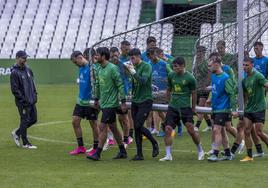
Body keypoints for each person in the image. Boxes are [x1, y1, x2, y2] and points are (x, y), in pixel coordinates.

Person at [159, 57, 204, 161]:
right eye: (174, 66)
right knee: (167, 129)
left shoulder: (190, 78)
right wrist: (168, 102)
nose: (175, 68)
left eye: (177, 66)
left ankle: (200, 150)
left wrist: (193, 108)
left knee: (191, 130)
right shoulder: (171, 76)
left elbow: (194, 93)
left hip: (185, 107)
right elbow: (169, 89)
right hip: (173, 107)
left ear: (183, 66)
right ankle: (168, 155)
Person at [87, 47, 127, 161]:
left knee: (102, 126)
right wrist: (96, 99)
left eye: (98, 55)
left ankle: (97, 153)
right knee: (113, 127)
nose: (96, 57)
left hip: (111, 103)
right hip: (103, 103)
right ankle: (122, 151)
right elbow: (98, 84)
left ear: (103, 56)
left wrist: (123, 102)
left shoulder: (113, 69)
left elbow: (120, 85)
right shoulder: (99, 68)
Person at [124, 48, 159, 160]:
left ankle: (154, 143)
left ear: (139, 56)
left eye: (133, 57)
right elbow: (133, 82)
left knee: (138, 125)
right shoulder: (133, 67)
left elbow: (143, 81)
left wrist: (133, 72)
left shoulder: (146, 66)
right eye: (130, 58)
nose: (131, 60)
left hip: (145, 100)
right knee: (137, 127)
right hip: (136, 100)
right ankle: (139, 154)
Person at [68, 51, 99, 156]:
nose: (75, 65)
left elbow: (98, 84)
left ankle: (96, 148)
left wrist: (96, 99)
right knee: (75, 121)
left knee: (93, 124)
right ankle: (81, 147)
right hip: (80, 101)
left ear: (80, 58)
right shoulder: (80, 68)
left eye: (76, 62)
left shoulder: (92, 68)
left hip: (90, 102)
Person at [207, 57, 237, 162]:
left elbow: (231, 94)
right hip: (215, 108)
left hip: (223, 109)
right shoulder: (214, 76)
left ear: (216, 65)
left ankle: (215, 154)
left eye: (210, 65)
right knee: (223, 131)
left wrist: (234, 109)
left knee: (216, 130)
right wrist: (210, 99)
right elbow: (216, 90)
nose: (209, 68)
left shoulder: (226, 77)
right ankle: (228, 153)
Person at [240, 57, 268, 162]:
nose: (244, 67)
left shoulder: (258, 76)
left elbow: (266, 84)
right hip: (249, 109)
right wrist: (245, 106)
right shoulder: (244, 80)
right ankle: (249, 156)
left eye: (247, 65)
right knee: (247, 131)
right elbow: (246, 95)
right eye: (243, 65)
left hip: (259, 108)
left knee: (259, 132)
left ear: (252, 65)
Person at [11, 50, 38, 149]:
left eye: (26, 57)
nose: (25, 59)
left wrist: (35, 94)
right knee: (25, 120)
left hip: (31, 100)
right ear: (17, 58)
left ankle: (17, 133)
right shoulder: (14, 72)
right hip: (22, 102)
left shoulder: (28, 69)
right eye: (23, 58)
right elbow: (15, 90)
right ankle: (26, 143)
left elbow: (33, 83)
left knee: (34, 119)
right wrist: (23, 100)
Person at [110, 47, 132, 147]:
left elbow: (131, 74)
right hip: (112, 94)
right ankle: (118, 138)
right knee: (117, 118)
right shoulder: (108, 65)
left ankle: (126, 139)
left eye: (116, 55)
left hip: (123, 93)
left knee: (124, 117)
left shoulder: (124, 64)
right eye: (112, 56)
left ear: (119, 54)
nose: (114, 57)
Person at [147, 47, 171, 137]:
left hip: (164, 91)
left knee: (162, 110)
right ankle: (167, 126)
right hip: (153, 91)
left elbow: (171, 73)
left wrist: (169, 84)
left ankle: (166, 128)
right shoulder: (148, 64)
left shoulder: (163, 64)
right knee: (158, 111)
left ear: (155, 54)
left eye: (151, 55)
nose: (150, 57)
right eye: (148, 56)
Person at [192, 46, 212, 132]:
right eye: (198, 52)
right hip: (197, 88)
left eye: (200, 52)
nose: (199, 53)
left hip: (204, 88)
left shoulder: (206, 63)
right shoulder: (196, 62)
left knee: (200, 106)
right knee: (201, 108)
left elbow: (209, 74)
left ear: (204, 53)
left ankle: (196, 126)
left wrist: (205, 85)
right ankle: (210, 125)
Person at [119, 40, 134, 141]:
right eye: (125, 49)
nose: (127, 51)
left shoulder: (131, 59)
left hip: (129, 88)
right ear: (121, 48)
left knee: (128, 112)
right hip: (119, 89)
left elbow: (133, 73)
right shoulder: (118, 60)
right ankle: (126, 132)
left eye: (128, 49)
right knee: (120, 116)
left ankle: (130, 135)